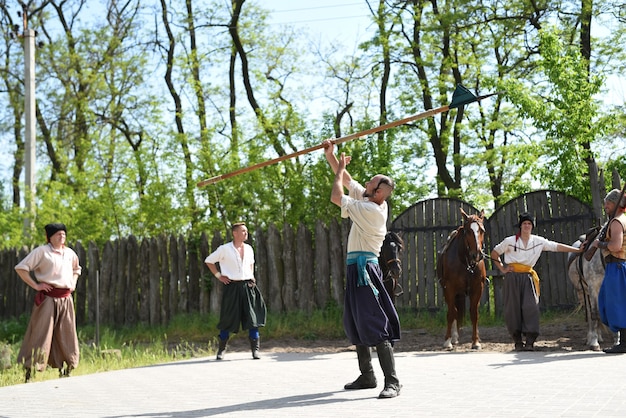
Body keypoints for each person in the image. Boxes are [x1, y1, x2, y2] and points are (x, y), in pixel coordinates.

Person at [322, 139, 401, 399]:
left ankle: (392, 381)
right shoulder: (371, 198)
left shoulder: (371, 210)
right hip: (355, 268)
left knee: (375, 323)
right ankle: (367, 375)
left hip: (366, 269)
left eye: (370, 183)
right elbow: (347, 181)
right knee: (356, 321)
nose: (365, 184)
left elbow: (336, 195)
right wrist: (332, 156)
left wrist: (337, 170)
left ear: (378, 192)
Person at [490, 213, 583, 351]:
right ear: (520, 226)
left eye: (529, 224)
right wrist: (502, 269)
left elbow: (556, 246)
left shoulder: (538, 241)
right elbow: (494, 253)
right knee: (513, 309)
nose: (527, 226)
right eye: (524, 224)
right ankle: (517, 341)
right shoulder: (509, 241)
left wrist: (577, 250)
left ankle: (530, 340)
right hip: (512, 276)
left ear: (532, 226)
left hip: (528, 277)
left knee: (531, 307)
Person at [15, 223, 82, 382]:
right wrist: (36, 285)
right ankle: (30, 370)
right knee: (41, 333)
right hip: (48, 299)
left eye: (64, 234)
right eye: (58, 234)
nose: (62, 236)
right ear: (49, 237)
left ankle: (67, 367)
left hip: (66, 299)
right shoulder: (42, 252)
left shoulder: (70, 253)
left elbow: (76, 269)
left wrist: (73, 283)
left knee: (67, 333)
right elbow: (21, 268)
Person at [205, 222, 267, 360]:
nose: (246, 233)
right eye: (243, 231)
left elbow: (251, 264)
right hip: (232, 287)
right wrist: (219, 276)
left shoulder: (249, 249)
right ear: (235, 233)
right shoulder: (224, 249)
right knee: (228, 319)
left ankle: (255, 351)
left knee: (253, 319)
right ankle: (221, 350)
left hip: (248, 286)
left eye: (246, 231)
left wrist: (251, 277)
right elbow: (209, 261)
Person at [592, 188, 626, 353]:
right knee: (615, 304)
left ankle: (624, 343)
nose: (606, 206)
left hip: (617, 267)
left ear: (616, 204)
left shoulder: (617, 222)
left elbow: (615, 246)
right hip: (619, 266)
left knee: (615, 305)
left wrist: (601, 244)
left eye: (608, 204)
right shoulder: (621, 219)